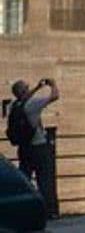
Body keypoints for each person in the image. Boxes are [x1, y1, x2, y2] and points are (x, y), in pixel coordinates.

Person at [9, 78, 59, 215]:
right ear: (24, 91)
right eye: (27, 87)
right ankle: (49, 211)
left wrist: (38, 87)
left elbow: (25, 96)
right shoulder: (32, 105)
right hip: (38, 147)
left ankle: (21, 210)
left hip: (24, 149)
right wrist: (53, 84)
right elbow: (55, 96)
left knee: (24, 179)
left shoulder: (15, 105)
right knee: (44, 180)